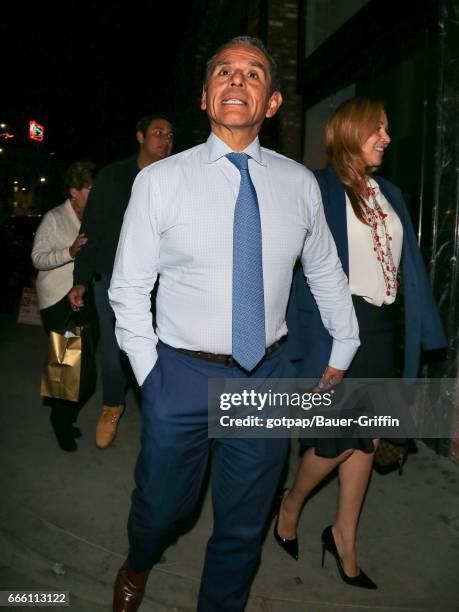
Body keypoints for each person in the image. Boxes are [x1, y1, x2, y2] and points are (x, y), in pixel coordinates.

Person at [108, 36, 360, 612]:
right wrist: (153, 377)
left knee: (245, 523)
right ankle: (137, 561)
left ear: (272, 103)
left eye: (253, 73)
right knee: (161, 508)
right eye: (225, 71)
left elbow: (324, 270)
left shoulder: (298, 184)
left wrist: (345, 343)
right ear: (206, 96)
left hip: (264, 375)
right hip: (180, 373)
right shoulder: (161, 181)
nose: (237, 80)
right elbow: (127, 289)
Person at [278, 98, 447, 589]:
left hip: (384, 328)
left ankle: (343, 535)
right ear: (353, 130)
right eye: (380, 127)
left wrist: (419, 332)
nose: (387, 137)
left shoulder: (388, 190)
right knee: (334, 442)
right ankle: (291, 505)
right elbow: (294, 269)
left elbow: (408, 268)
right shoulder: (318, 187)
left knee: (367, 439)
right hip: (338, 327)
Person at [67, 114, 174, 449]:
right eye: (158, 132)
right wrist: (81, 279)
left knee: (164, 351)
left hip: (166, 282)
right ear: (140, 136)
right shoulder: (113, 176)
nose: (165, 139)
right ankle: (113, 405)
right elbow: (92, 230)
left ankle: (160, 414)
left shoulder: (177, 177)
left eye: (170, 135)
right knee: (114, 351)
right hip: (115, 280)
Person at [32, 161, 98, 452]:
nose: (95, 194)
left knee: (85, 371)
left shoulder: (93, 217)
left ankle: (64, 415)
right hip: (58, 299)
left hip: (83, 295)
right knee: (70, 368)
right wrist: (69, 251)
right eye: (90, 189)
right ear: (74, 191)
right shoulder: (55, 217)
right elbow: (38, 258)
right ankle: (61, 423)